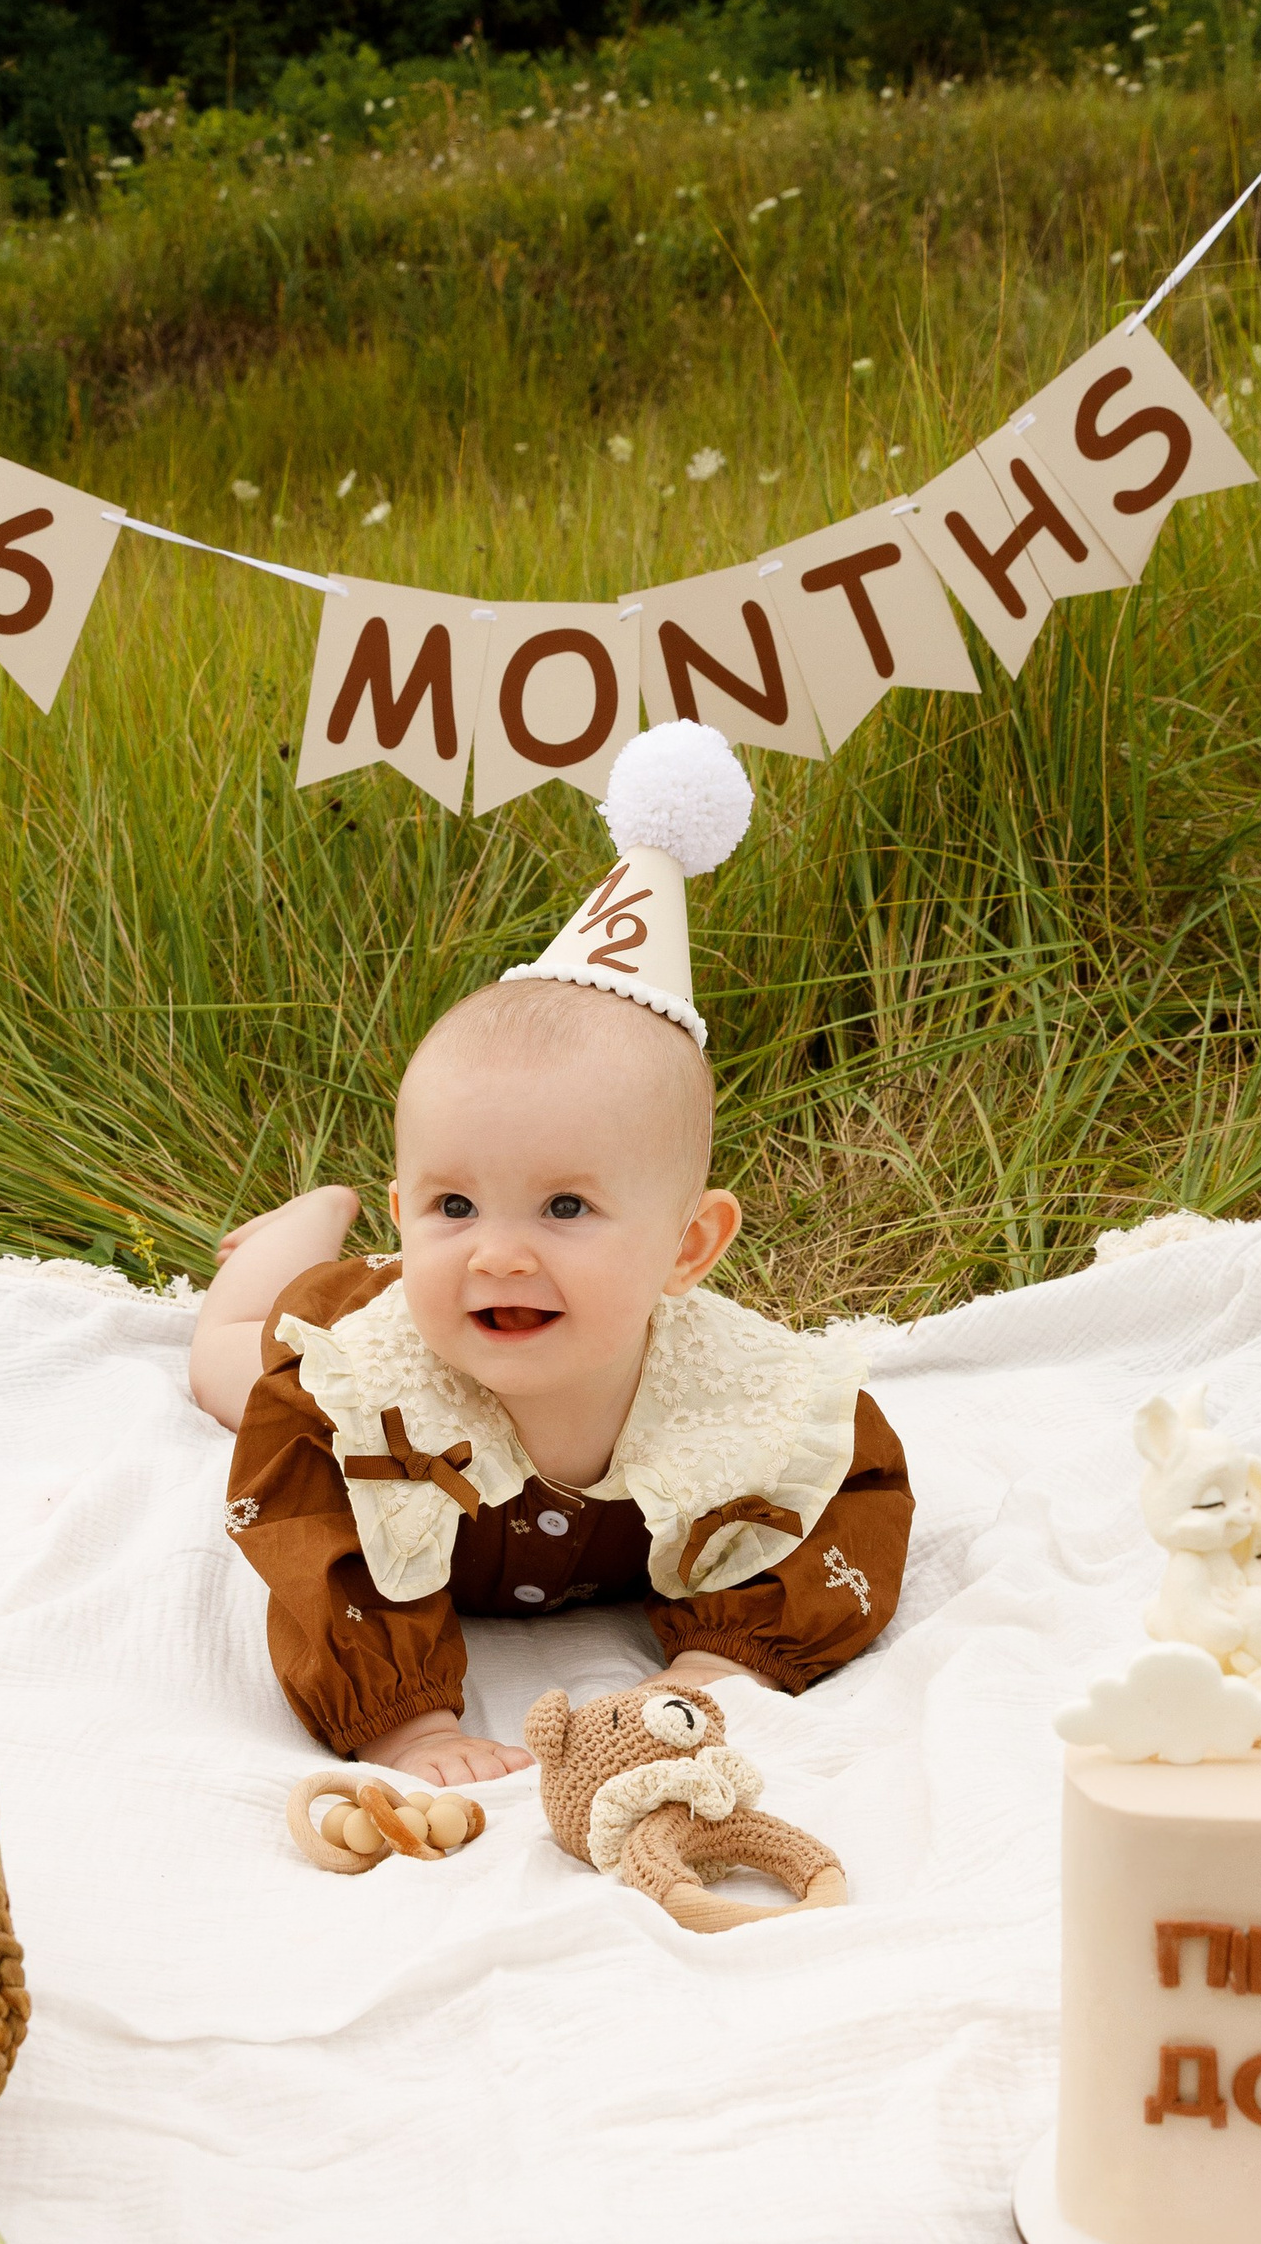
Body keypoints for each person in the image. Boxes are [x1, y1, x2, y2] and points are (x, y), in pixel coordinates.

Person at [189, 726, 912, 1788]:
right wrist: (408, 1724)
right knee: (221, 1363)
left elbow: (840, 1501)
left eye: (565, 1205)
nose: (498, 1255)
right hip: (378, 1320)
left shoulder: (748, 1398)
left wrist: (724, 1659)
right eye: (452, 1205)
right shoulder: (349, 1396)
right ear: (409, 1218)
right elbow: (313, 1553)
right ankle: (309, 1218)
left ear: (689, 1245)